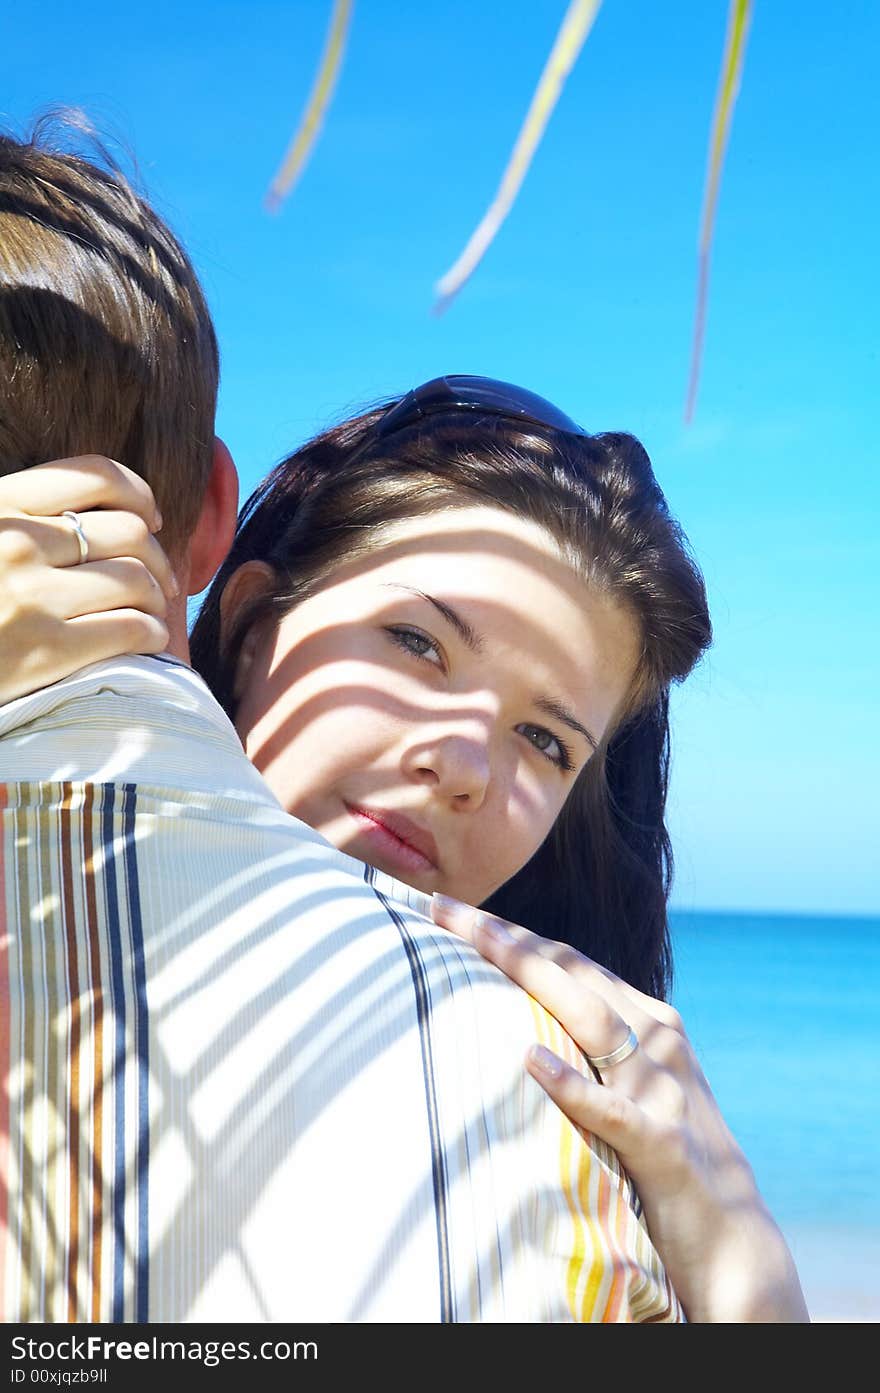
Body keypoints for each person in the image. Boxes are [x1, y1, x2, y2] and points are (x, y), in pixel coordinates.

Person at [0, 125, 807, 1321]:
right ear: (252, 610)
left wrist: (739, 1267)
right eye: (417, 644)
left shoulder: (530, 1100)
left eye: (547, 741)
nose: (467, 764)